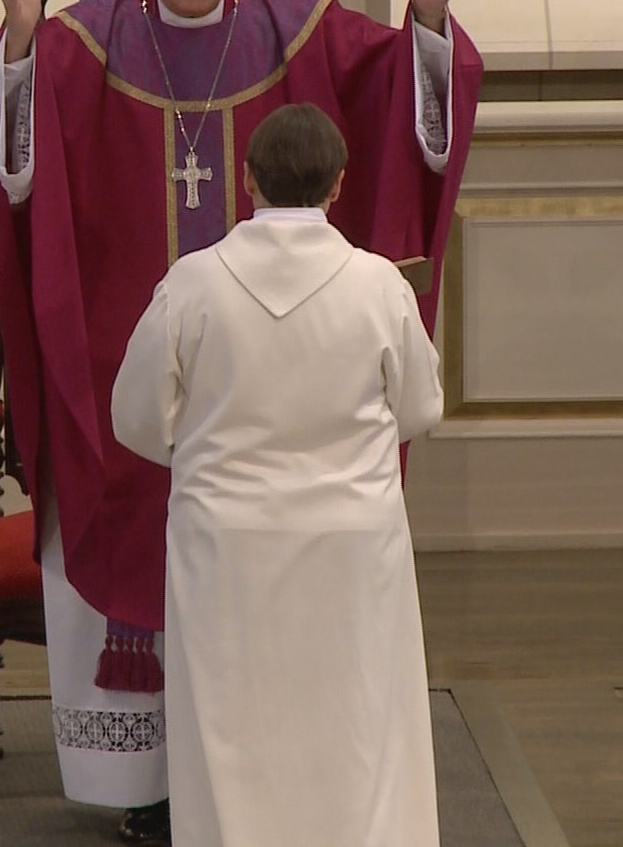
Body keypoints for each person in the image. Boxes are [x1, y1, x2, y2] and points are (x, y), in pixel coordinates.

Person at [0, 0, 479, 844]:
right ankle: (150, 784)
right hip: (113, 349)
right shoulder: (84, 41)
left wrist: (429, 22)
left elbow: (394, 95)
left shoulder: (296, 31)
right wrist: (16, 48)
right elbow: (7, 162)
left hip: (225, 417)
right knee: (120, 492)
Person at [110, 102, 445, 846]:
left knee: (229, 728)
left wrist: (205, 457)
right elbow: (421, 408)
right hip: (352, 541)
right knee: (358, 721)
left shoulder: (193, 284)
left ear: (246, 178)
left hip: (225, 542)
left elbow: (134, 417)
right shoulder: (378, 285)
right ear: (338, 185)